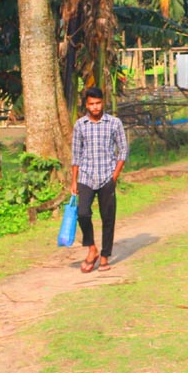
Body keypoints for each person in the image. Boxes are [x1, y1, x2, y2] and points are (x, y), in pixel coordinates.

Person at [71, 86, 129, 272]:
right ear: (86, 105)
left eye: (98, 103)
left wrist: (115, 175)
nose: (95, 107)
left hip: (107, 176)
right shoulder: (80, 125)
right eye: (91, 104)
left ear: (103, 102)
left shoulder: (114, 123)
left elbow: (123, 150)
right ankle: (92, 248)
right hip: (86, 176)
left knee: (108, 217)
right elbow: (76, 155)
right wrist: (74, 180)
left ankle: (104, 256)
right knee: (82, 213)